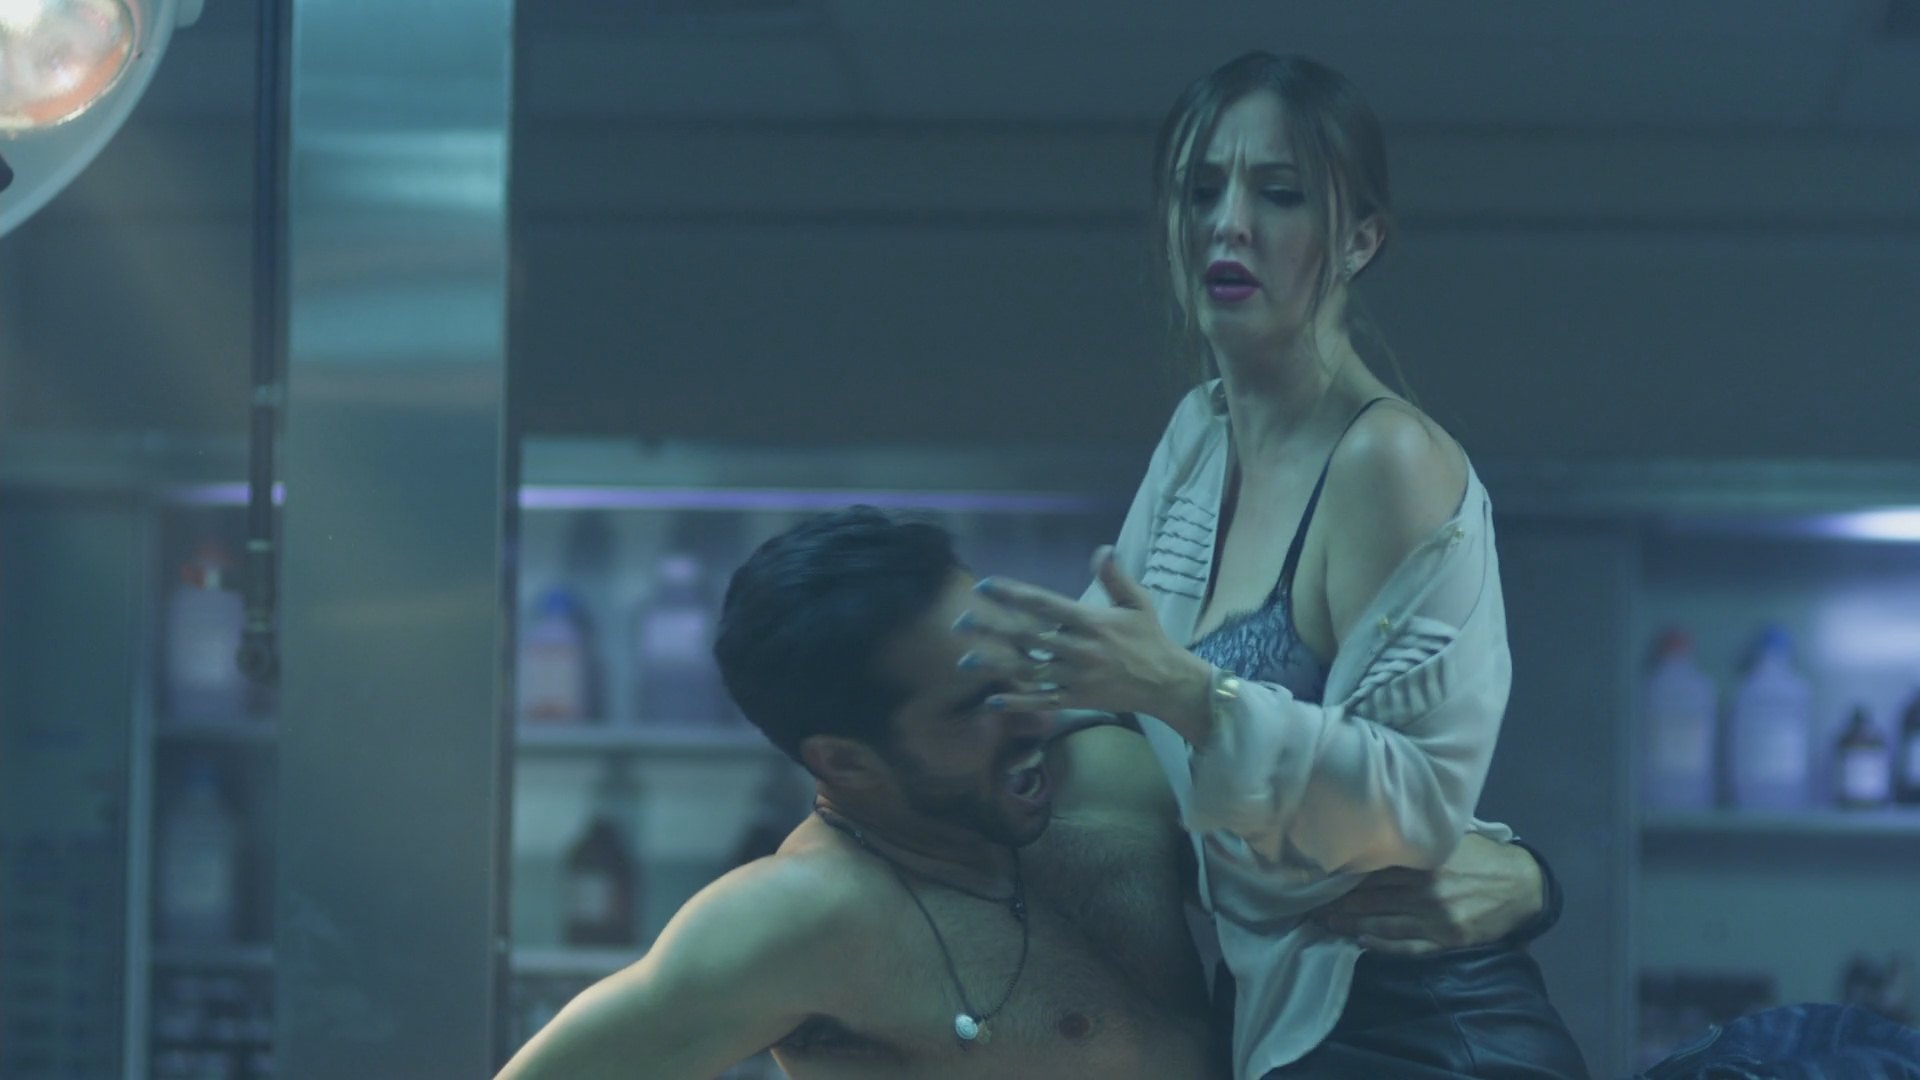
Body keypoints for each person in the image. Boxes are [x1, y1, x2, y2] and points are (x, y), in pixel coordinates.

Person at [950, 52, 1588, 1079]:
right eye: (1201, 191)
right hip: (1273, 1017)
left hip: (1426, 1028)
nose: (1228, 223)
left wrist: (1186, 696)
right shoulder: (1197, 439)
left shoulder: (1388, 460)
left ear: (1361, 239)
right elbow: (1094, 688)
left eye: (1278, 193)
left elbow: (1414, 809)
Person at [493, 508, 1558, 1080]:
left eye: (1024, 670)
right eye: (975, 705)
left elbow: (1364, 853)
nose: (1036, 715)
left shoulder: (1122, 780)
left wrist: (1528, 881)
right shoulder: (796, 921)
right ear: (845, 762)